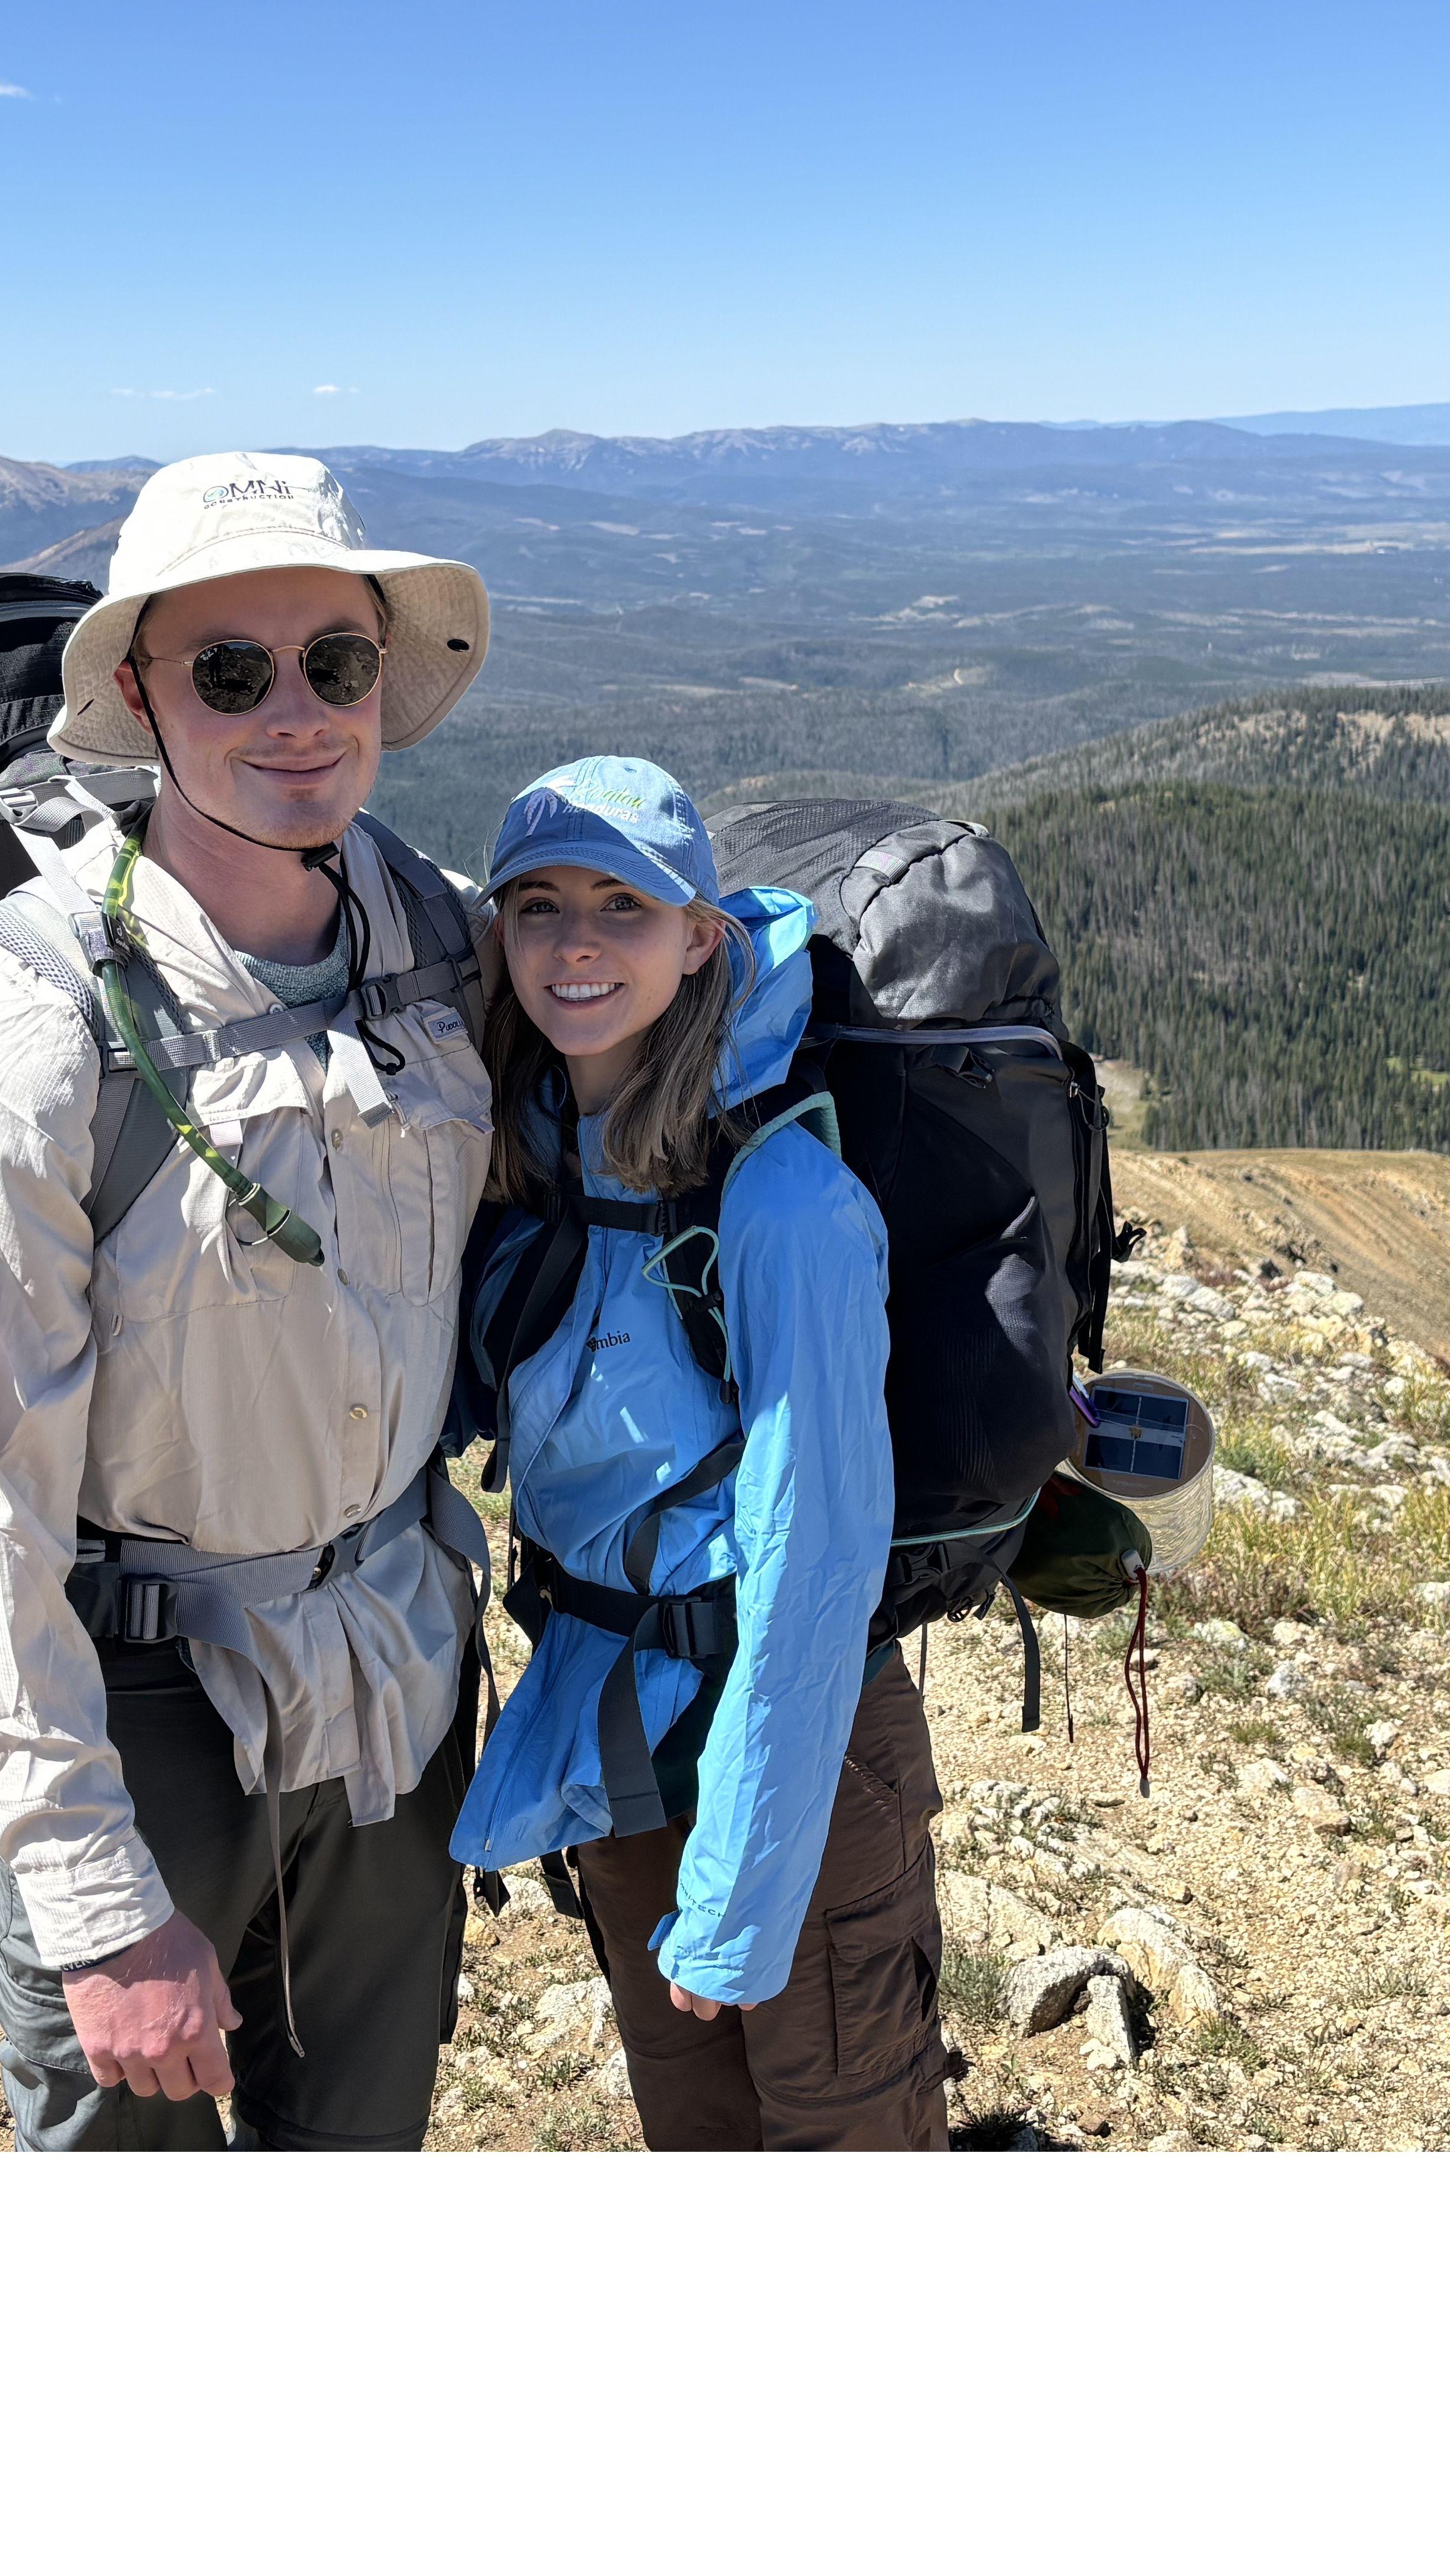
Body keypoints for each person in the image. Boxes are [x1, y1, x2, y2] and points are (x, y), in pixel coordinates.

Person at [0, 452, 499, 2151]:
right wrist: (91, 1902)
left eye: (337, 661)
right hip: (148, 1718)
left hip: (393, 1680)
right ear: (141, 696)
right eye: (231, 670)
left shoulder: (431, 937)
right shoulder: (21, 1047)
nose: (295, 713)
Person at [450, 757, 948, 2151]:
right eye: (539, 905)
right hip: (615, 1724)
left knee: (843, 2134)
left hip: (793, 1750)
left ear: (701, 937)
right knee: (696, 2132)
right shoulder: (533, 1149)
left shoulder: (780, 1197)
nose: (579, 943)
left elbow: (816, 1559)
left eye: (625, 903)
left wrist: (736, 1887)